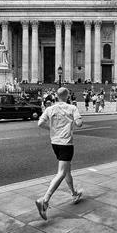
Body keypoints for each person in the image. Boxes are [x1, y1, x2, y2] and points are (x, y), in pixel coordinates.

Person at [35, 87, 84, 221]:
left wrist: (52, 129)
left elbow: (40, 124)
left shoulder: (50, 109)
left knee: (67, 170)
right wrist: (76, 120)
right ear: (68, 96)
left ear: (56, 96)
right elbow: (79, 124)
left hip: (54, 142)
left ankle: (74, 193)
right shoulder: (72, 108)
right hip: (66, 143)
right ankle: (44, 200)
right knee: (62, 172)